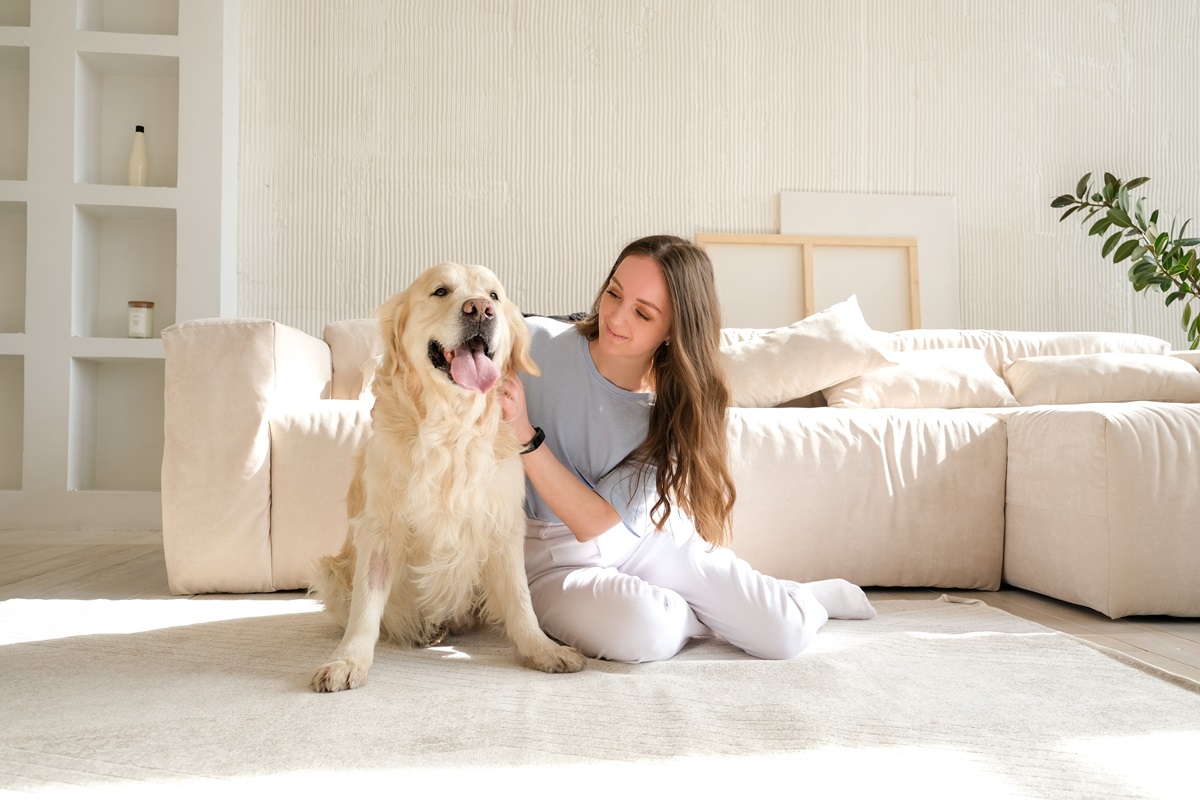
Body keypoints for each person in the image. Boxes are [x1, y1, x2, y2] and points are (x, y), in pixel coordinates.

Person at [498, 234, 876, 664]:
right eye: (613, 293)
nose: (616, 318)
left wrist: (525, 436)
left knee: (783, 634)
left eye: (642, 313)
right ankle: (700, 616)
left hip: (647, 540)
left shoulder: (672, 411)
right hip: (551, 556)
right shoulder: (532, 342)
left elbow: (594, 521)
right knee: (644, 635)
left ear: (672, 329)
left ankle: (808, 599)